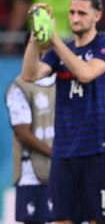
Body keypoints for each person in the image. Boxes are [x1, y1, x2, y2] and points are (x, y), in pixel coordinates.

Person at [21, 0, 105, 223]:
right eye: (71, 12)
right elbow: (29, 75)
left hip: (98, 149)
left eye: (82, 13)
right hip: (64, 151)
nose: (75, 18)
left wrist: (54, 39)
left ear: (97, 16)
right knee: (62, 219)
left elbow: (86, 74)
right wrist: (36, 38)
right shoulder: (61, 51)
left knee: (100, 219)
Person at [5, 69, 55, 223]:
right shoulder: (19, 86)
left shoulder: (64, 82)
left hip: (62, 172)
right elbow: (22, 132)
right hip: (32, 174)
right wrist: (55, 154)